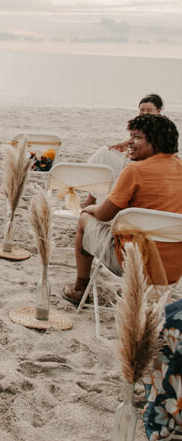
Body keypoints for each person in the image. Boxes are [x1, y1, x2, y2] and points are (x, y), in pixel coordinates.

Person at [63, 114, 182, 305]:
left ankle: (79, 289)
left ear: (155, 140)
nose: (130, 143)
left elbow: (104, 214)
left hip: (133, 262)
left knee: (85, 218)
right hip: (174, 267)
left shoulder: (136, 171)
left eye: (136, 137)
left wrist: (92, 207)